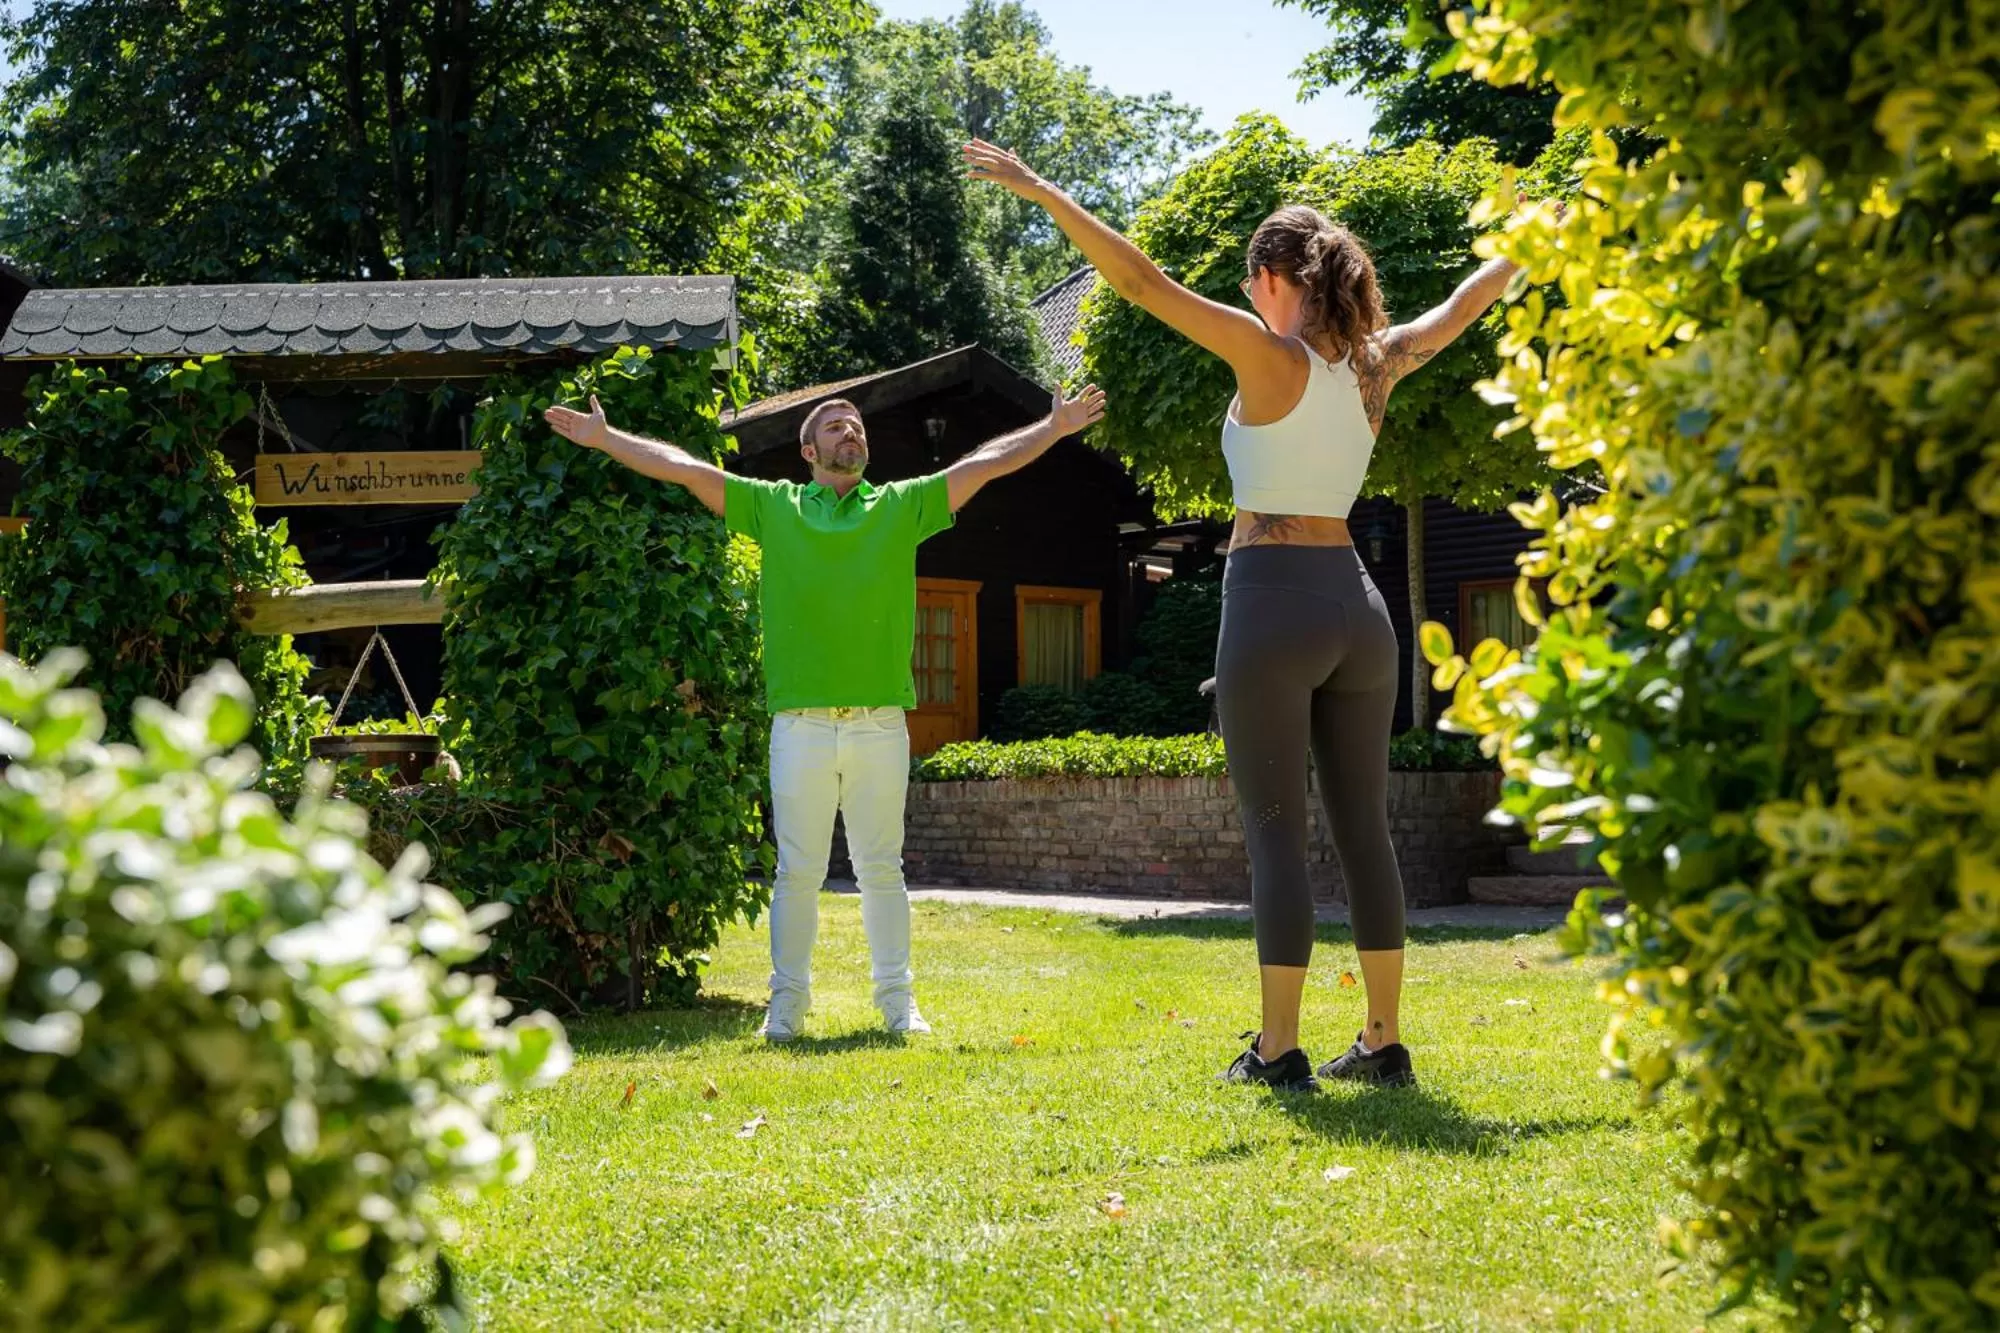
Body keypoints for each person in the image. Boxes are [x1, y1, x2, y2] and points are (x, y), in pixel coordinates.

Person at [966, 138, 1525, 1091]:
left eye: (1250, 277)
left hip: (1272, 597)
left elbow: (1138, 284)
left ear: (1275, 279)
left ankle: (1278, 1049)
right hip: (1359, 606)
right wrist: (1528, 247)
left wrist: (1040, 186)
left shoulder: (1269, 358)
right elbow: (1463, 307)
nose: (1247, 291)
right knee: (1365, 829)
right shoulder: (1377, 365)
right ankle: (1383, 1040)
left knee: (1274, 827)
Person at [545, 383, 1107, 1040]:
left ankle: (899, 1006)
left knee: (882, 869)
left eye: (858, 426)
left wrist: (1051, 427)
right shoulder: (774, 507)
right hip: (801, 726)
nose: (853, 433)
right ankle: (786, 1009)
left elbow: (980, 465)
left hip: (878, 725)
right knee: (798, 871)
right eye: (838, 426)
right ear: (809, 450)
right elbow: (688, 470)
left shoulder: (901, 506)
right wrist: (607, 439)